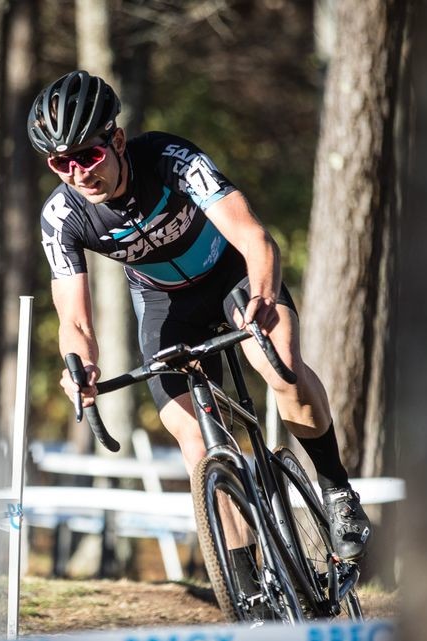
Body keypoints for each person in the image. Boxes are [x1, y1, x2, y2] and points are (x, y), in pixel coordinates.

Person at [28, 70, 371, 561]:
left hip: (231, 276)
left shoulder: (172, 159)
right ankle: (243, 577)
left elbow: (254, 237)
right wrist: (79, 369)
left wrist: (265, 295)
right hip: (165, 305)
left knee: (280, 365)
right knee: (193, 439)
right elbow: (75, 323)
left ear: (117, 139)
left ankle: (336, 489)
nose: (79, 173)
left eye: (89, 155)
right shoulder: (62, 218)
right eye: (62, 163)